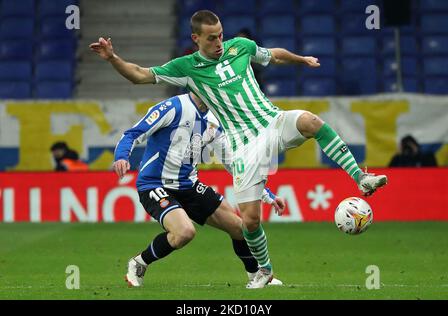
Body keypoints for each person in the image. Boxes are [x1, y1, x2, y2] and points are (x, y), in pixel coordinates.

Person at [90, 10, 388, 289]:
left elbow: (273, 56)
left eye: (220, 35)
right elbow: (139, 75)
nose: (219, 42)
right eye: (211, 37)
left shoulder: (239, 51)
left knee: (309, 123)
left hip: (267, 126)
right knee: (219, 227)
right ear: (196, 39)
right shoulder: (181, 84)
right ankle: (146, 263)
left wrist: (302, 59)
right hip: (196, 167)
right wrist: (113, 58)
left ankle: (359, 178)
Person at [114, 92, 285, 287]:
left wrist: (266, 195)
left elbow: (233, 164)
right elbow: (133, 133)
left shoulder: (213, 120)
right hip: (155, 184)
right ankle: (139, 263)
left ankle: (256, 276)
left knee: (239, 228)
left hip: (189, 185)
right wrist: (122, 156)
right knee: (184, 232)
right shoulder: (173, 107)